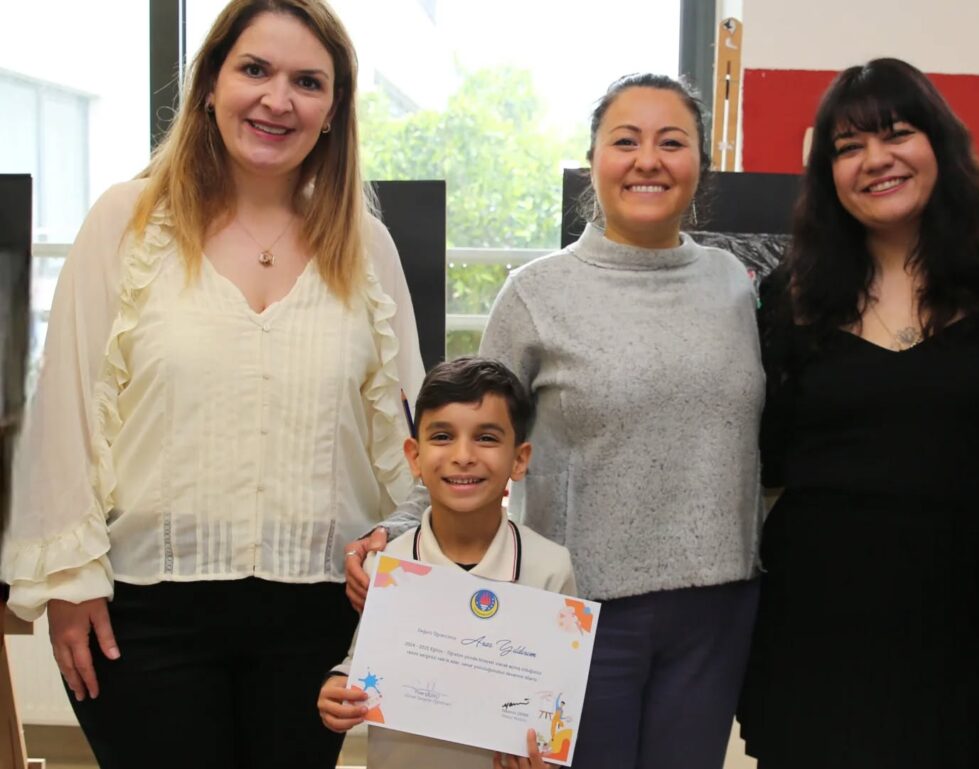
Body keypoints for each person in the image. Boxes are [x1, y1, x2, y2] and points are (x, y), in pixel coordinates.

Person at [0, 2, 423, 768]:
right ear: (209, 85)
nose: (277, 99)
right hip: (141, 614)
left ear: (333, 110)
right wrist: (67, 578)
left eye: (308, 82)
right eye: (254, 69)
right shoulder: (126, 222)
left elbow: (407, 436)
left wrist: (401, 549)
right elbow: (66, 412)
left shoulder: (367, 248)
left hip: (315, 616)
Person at [348, 74, 765, 769]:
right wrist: (396, 531)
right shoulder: (536, 293)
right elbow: (470, 434)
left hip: (718, 612)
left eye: (672, 142)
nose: (648, 160)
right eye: (625, 141)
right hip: (579, 611)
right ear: (593, 159)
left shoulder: (734, 284)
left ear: (702, 162)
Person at [737, 58, 979, 769]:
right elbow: (766, 451)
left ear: (939, 143)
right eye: (849, 146)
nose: (875, 159)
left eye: (896, 134)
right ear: (827, 174)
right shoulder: (795, 290)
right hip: (823, 626)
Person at [318, 357, 574, 769]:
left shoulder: (551, 568)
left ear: (519, 459)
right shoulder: (389, 566)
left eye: (486, 438)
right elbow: (360, 662)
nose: (463, 455)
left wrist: (546, 759)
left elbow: (556, 711)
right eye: (442, 436)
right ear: (414, 457)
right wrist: (338, 686)